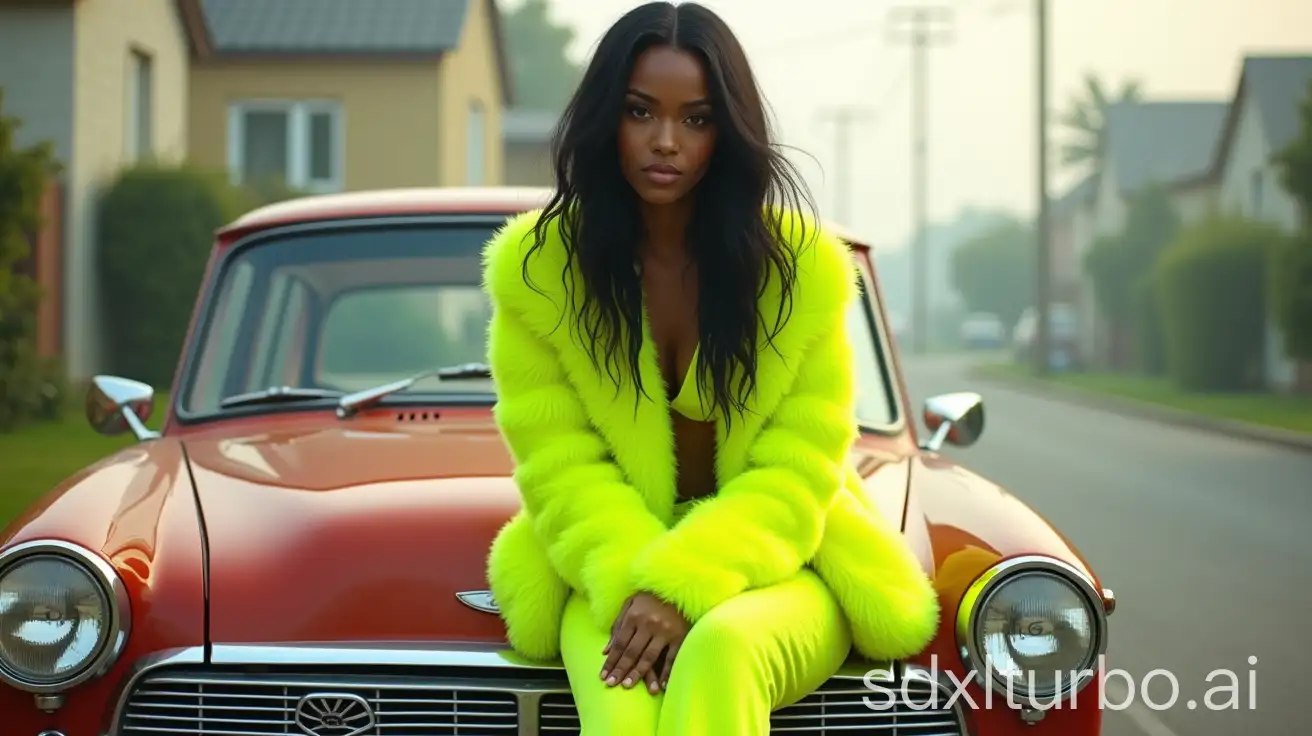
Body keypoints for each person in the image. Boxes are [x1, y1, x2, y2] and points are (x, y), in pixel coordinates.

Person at [481, 2, 940, 733]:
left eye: (695, 119)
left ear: (728, 132)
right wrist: (648, 587)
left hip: (784, 561)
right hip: (614, 563)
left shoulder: (802, 275)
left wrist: (687, 586)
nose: (665, 141)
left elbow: (799, 469)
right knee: (623, 715)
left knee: (722, 648)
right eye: (640, 112)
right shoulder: (540, 273)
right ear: (607, 118)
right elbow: (559, 464)